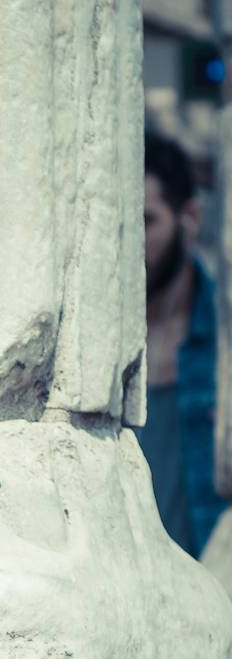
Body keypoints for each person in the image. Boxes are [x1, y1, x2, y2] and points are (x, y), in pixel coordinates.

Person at [138, 129, 231, 560]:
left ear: (189, 217)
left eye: (147, 220)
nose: (133, 242)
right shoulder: (108, 339)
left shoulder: (221, 336)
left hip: (207, 586)